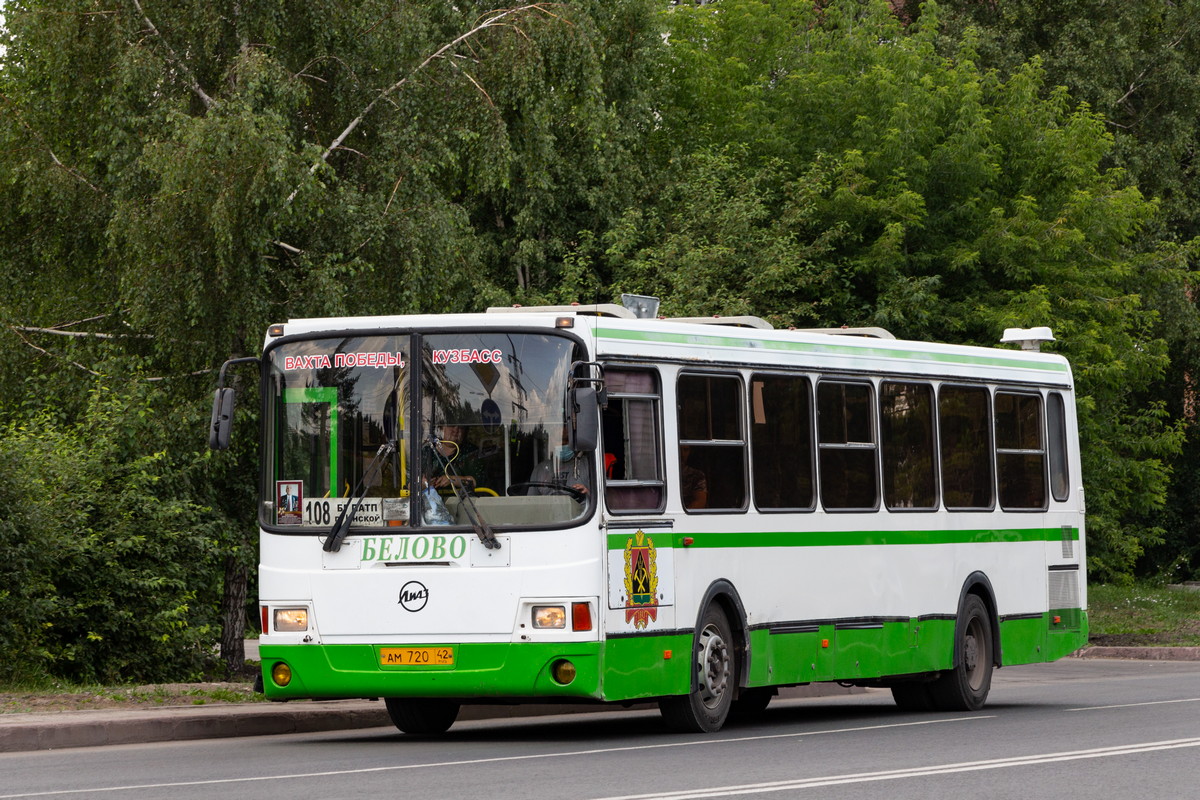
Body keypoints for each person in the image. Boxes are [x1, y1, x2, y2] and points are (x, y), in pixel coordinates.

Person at [528, 427, 593, 499]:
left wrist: (587, 493)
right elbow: (531, 502)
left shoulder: (589, 466)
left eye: (566, 440)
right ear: (552, 441)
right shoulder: (540, 469)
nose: (562, 444)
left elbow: (600, 502)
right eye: (559, 440)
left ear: (574, 441)